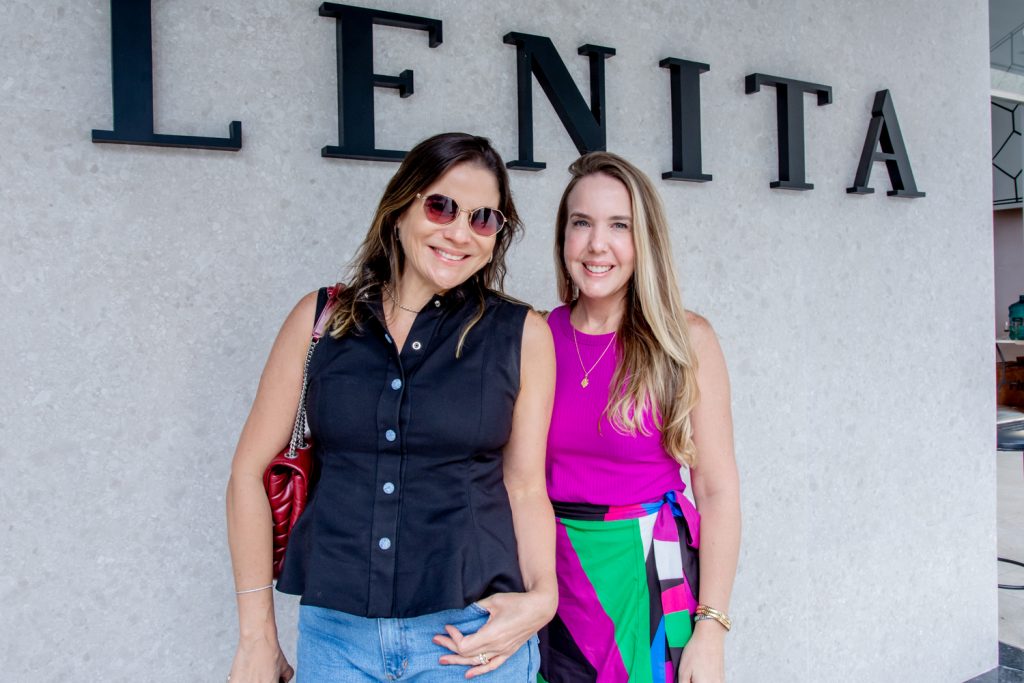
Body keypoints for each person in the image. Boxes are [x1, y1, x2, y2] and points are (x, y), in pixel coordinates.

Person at [225, 132, 557, 682]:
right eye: (441, 205)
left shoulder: (522, 334)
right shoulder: (321, 320)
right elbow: (247, 474)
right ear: (400, 208)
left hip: (472, 640)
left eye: (483, 218)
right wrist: (256, 636)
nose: (458, 232)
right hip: (336, 643)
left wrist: (543, 598)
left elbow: (523, 486)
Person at [538, 152, 740, 683]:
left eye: (618, 226)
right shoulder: (534, 336)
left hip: (650, 581)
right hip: (549, 577)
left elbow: (717, 492)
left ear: (644, 240)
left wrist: (711, 629)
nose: (596, 244)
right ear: (563, 237)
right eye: (581, 223)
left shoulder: (686, 340)